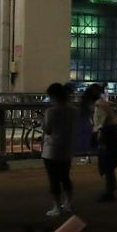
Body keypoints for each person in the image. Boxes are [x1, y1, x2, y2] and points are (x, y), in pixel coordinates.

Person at [82, 84, 117, 202]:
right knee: (108, 164)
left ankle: (109, 191)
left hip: (106, 135)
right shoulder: (102, 103)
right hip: (110, 133)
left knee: (107, 164)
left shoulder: (98, 105)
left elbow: (101, 123)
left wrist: (99, 136)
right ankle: (110, 189)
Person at [42, 82, 76, 217]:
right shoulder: (73, 110)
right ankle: (68, 204)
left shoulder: (51, 111)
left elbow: (48, 130)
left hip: (52, 149)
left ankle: (57, 207)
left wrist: (42, 121)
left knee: (54, 179)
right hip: (67, 148)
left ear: (53, 96)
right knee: (65, 177)